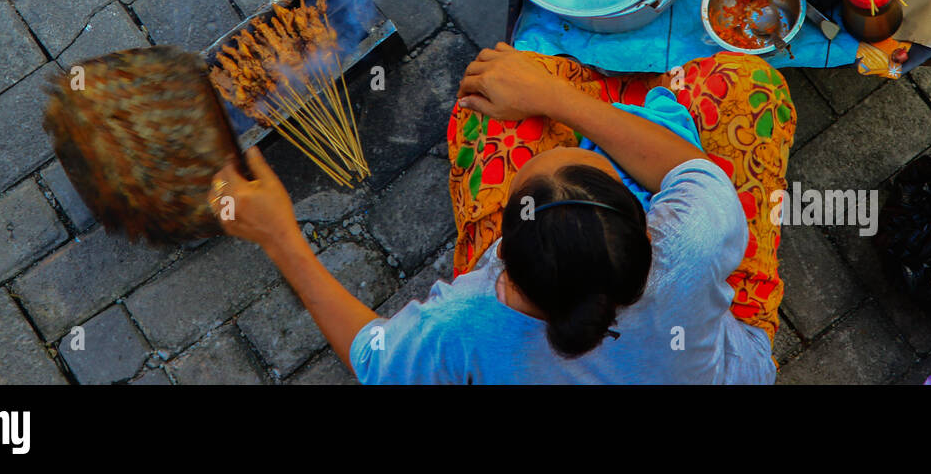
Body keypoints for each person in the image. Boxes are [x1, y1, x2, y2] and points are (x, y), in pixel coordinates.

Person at [213, 43, 795, 384]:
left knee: (485, 121)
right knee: (748, 87)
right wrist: (555, 98)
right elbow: (691, 169)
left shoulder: (464, 324)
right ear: (645, 225)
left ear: (503, 266)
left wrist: (280, 236)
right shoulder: (690, 240)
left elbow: (373, 359)